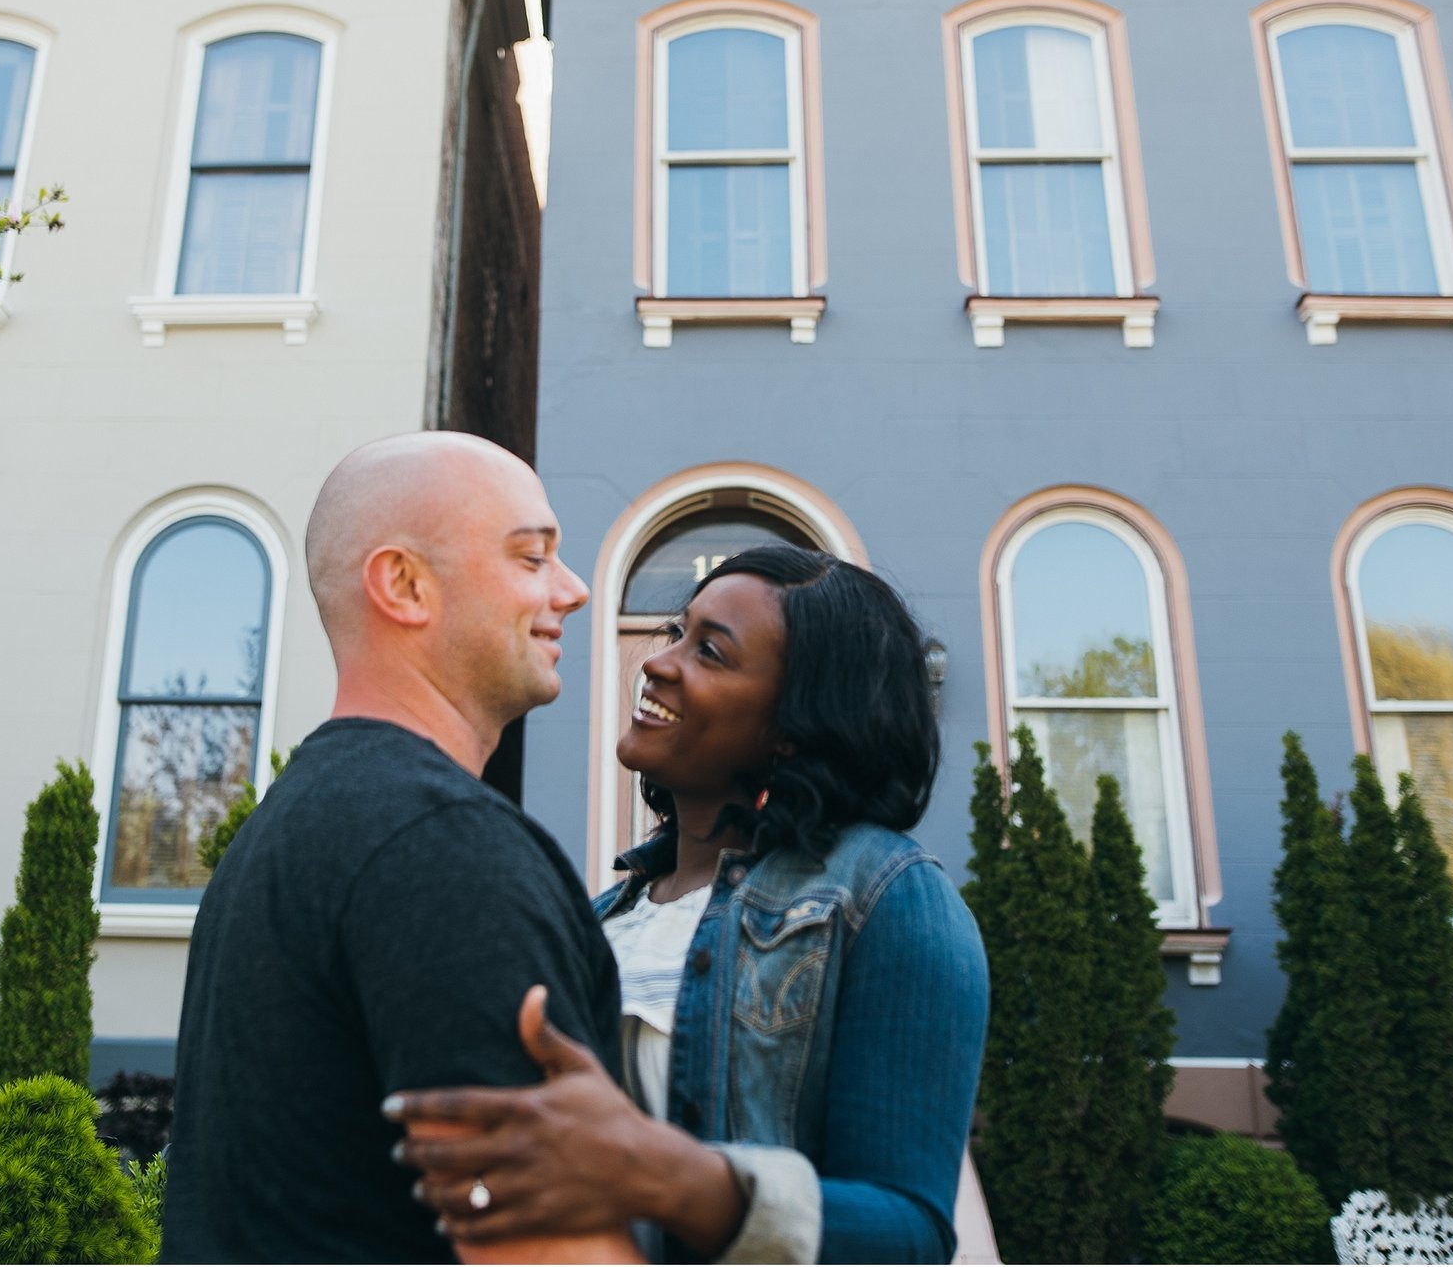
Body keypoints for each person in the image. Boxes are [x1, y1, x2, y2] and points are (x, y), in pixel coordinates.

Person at [158, 433, 794, 1262]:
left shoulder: (282, 832)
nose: (569, 592)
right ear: (405, 585)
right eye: (531, 559)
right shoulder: (444, 851)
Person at [389, 545, 992, 1264]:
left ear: (792, 726)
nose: (659, 662)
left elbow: (909, 1236)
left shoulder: (888, 900)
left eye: (711, 651)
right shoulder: (600, 918)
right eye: (678, 633)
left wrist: (668, 1179)